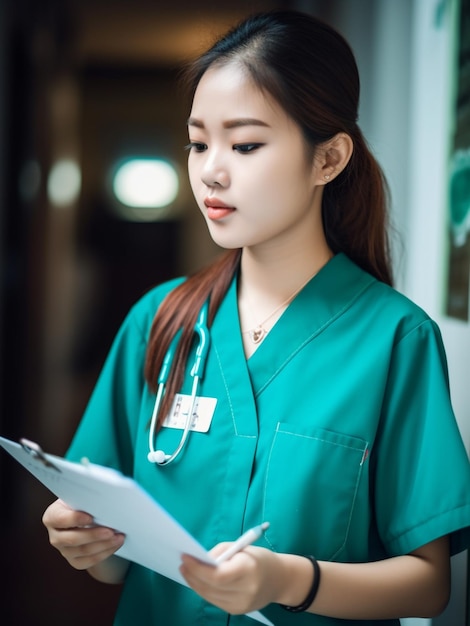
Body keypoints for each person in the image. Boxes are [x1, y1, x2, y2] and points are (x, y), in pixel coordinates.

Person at [42, 9, 470, 626]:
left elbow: (428, 586)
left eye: (244, 144)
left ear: (328, 160)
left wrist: (286, 578)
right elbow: (113, 555)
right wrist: (85, 543)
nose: (211, 170)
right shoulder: (158, 320)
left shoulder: (395, 340)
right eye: (197, 143)